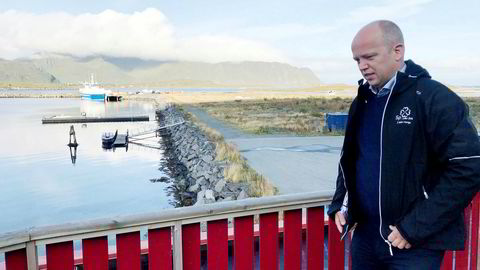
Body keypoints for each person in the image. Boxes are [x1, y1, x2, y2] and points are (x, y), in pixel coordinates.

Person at [327, 20, 480, 269]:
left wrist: (414, 228)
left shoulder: (433, 98)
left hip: (413, 245)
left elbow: (469, 167)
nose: (362, 66)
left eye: (369, 57)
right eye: (357, 60)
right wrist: (340, 204)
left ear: (397, 51)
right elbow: (352, 159)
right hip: (365, 238)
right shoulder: (362, 102)